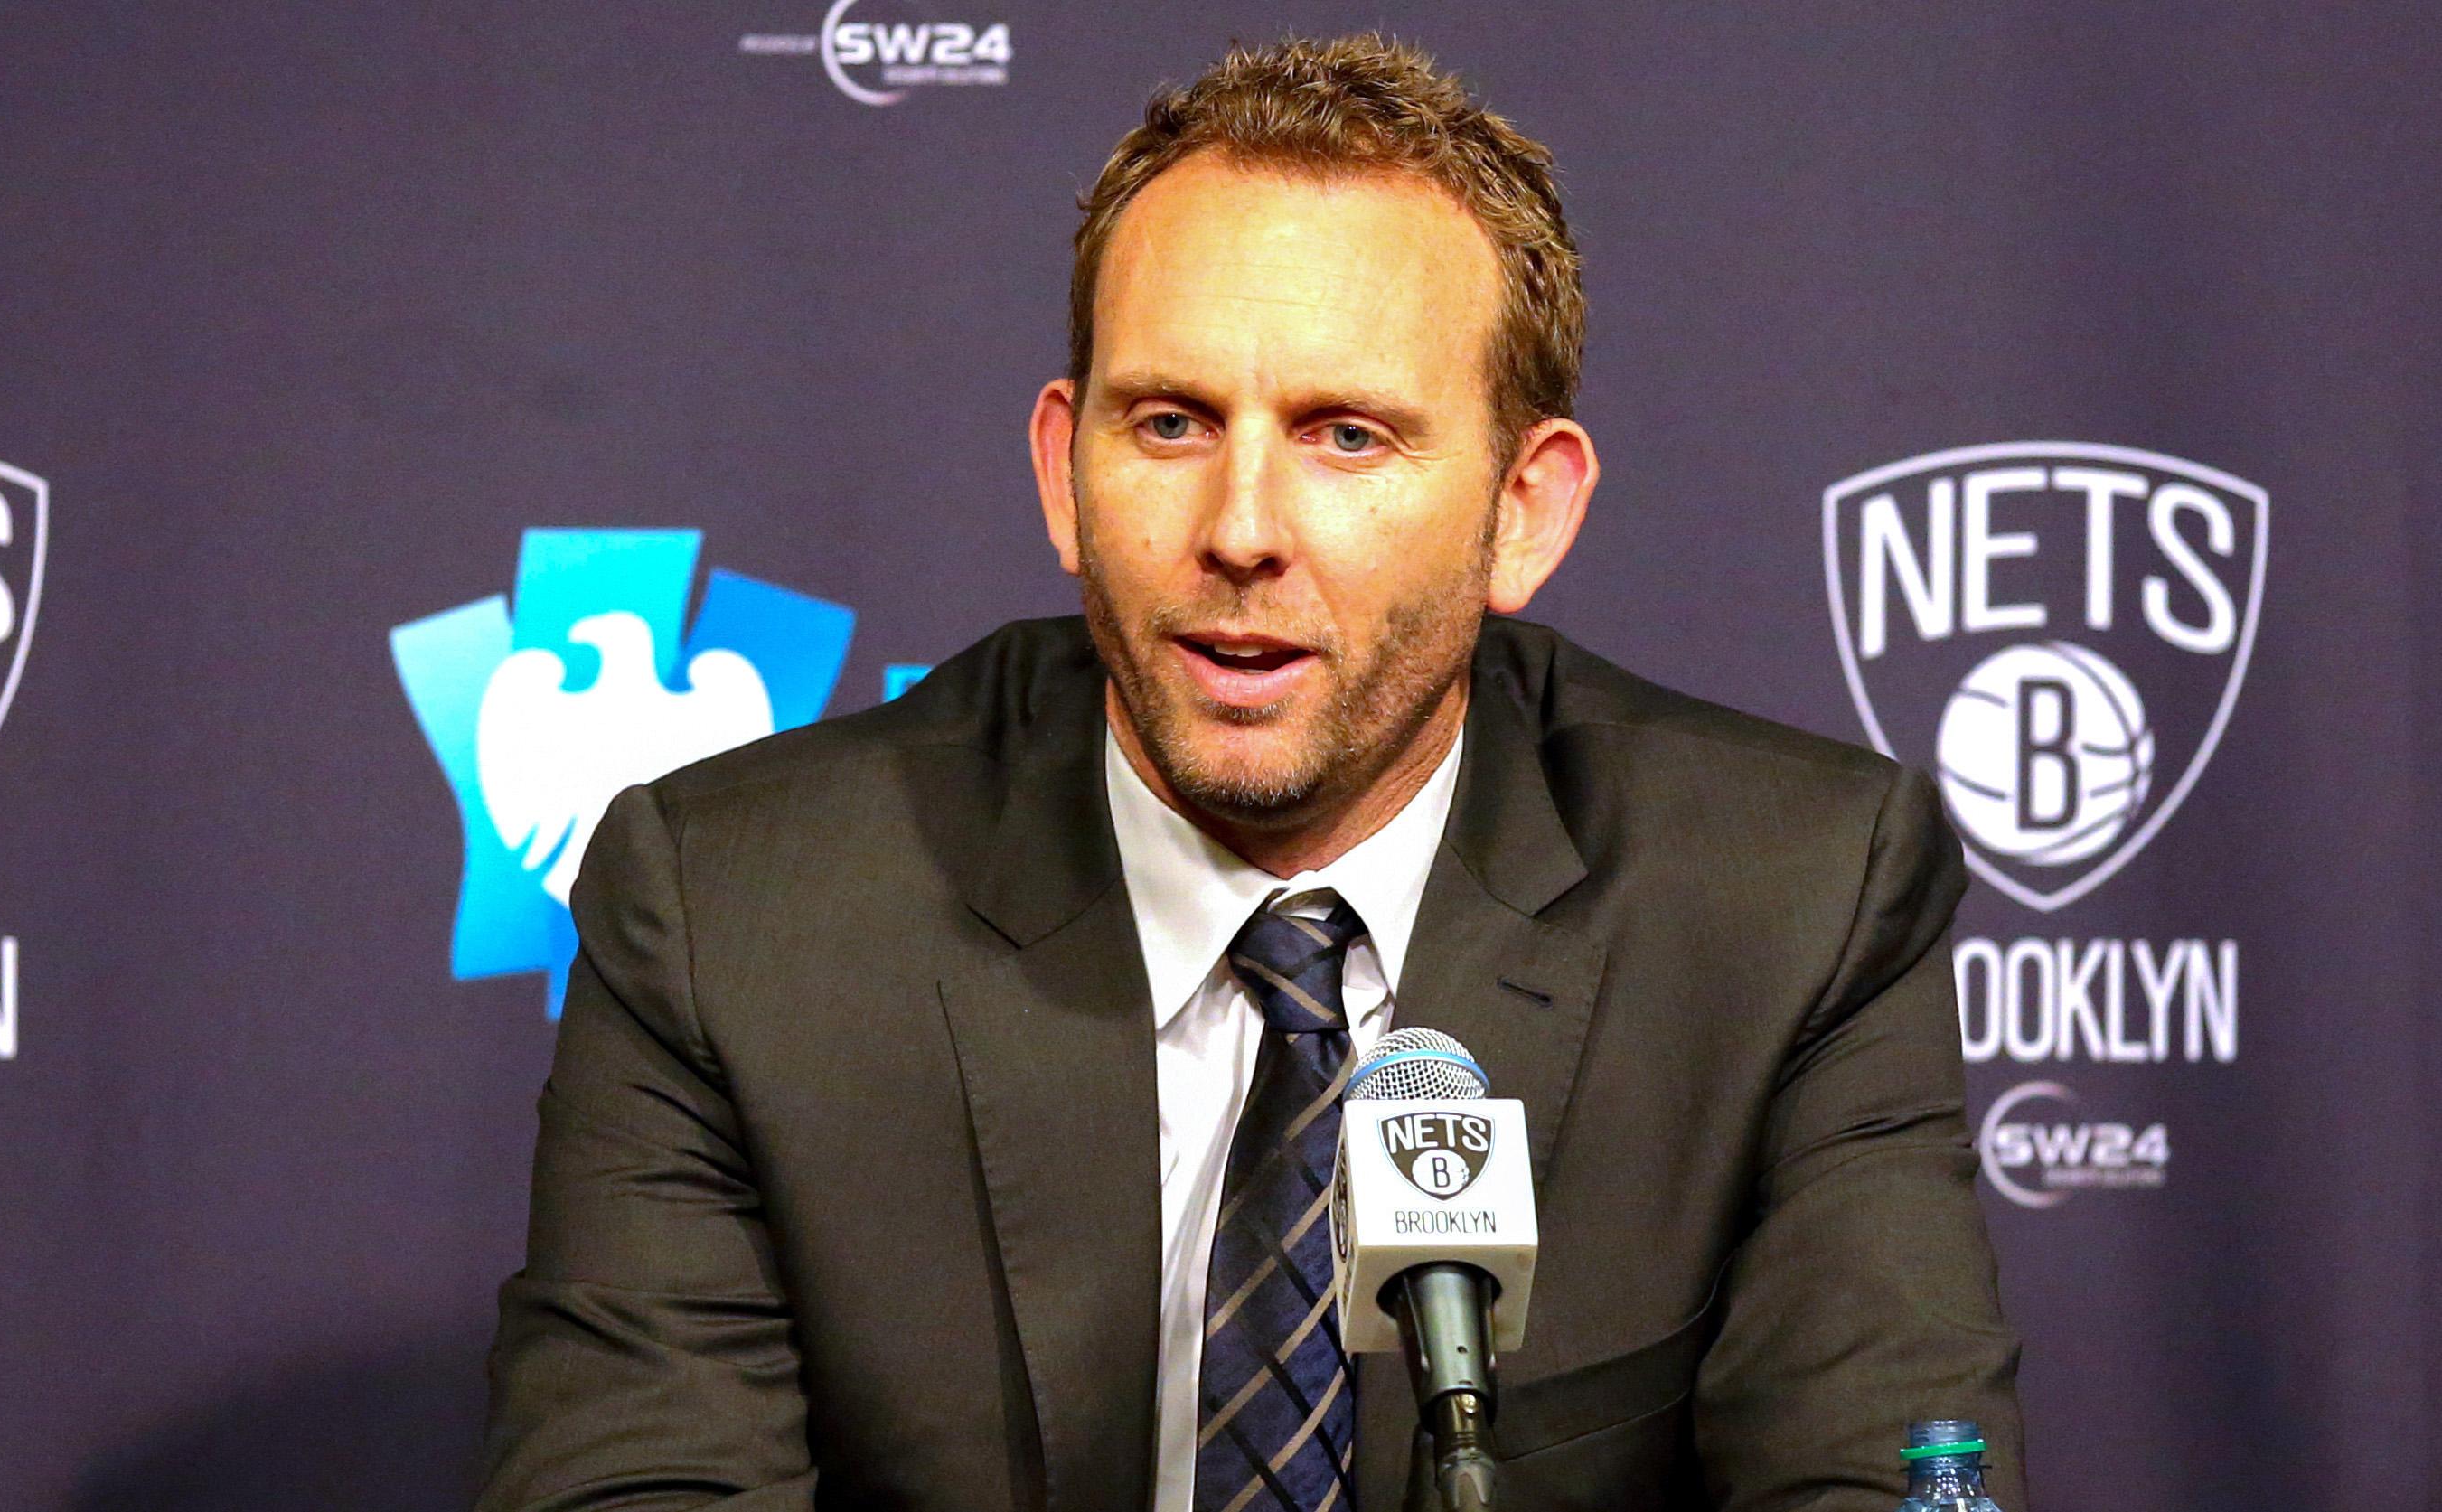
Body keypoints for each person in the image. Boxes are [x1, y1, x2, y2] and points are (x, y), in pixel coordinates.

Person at [478, 33, 2023, 1512]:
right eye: (1171, 423)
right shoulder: (734, 913)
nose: (1239, 528)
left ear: (1526, 514)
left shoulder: (1794, 901)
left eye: (1347, 437)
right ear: (1061, 472)